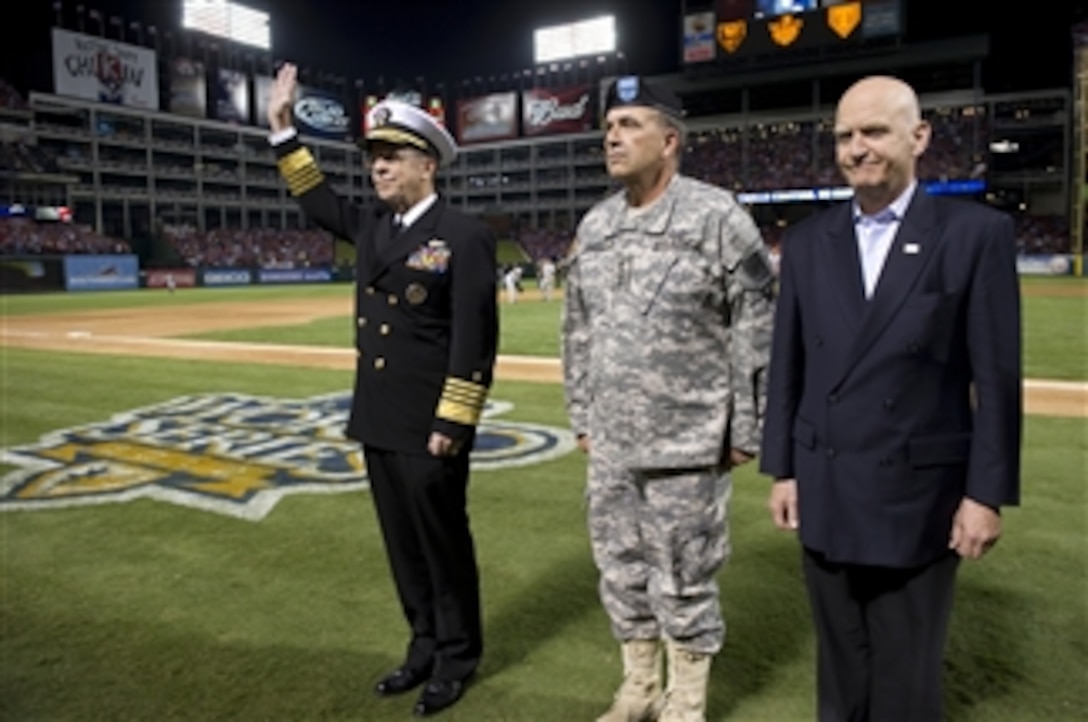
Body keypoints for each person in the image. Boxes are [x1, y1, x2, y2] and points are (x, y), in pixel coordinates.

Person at [759, 75, 1022, 722]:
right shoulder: (809, 241)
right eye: (845, 135)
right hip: (825, 481)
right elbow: (788, 363)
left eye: (874, 131)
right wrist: (783, 469)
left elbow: (996, 379)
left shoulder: (974, 234)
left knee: (906, 679)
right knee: (840, 671)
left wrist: (985, 494)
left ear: (919, 137)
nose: (857, 148)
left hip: (920, 495)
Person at [267, 62, 498, 717]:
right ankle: (422, 644)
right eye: (373, 158)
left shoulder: (464, 236)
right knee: (403, 547)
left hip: (431, 423)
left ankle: (457, 658)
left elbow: (473, 339)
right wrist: (284, 131)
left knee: (443, 543)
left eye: (392, 156)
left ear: (429, 164)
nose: (378, 167)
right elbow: (315, 199)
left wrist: (453, 424)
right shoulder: (373, 228)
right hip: (378, 419)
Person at [562, 75, 776, 722]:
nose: (613, 136)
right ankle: (639, 691)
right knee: (621, 571)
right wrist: (581, 415)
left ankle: (686, 703)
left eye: (630, 124)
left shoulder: (716, 218)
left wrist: (747, 425)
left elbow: (757, 324)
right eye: (609, 126)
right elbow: (577, 329)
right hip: (611, 442)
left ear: (671, 138)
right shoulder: (596, 225)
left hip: (688, 440)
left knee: (683, 575)